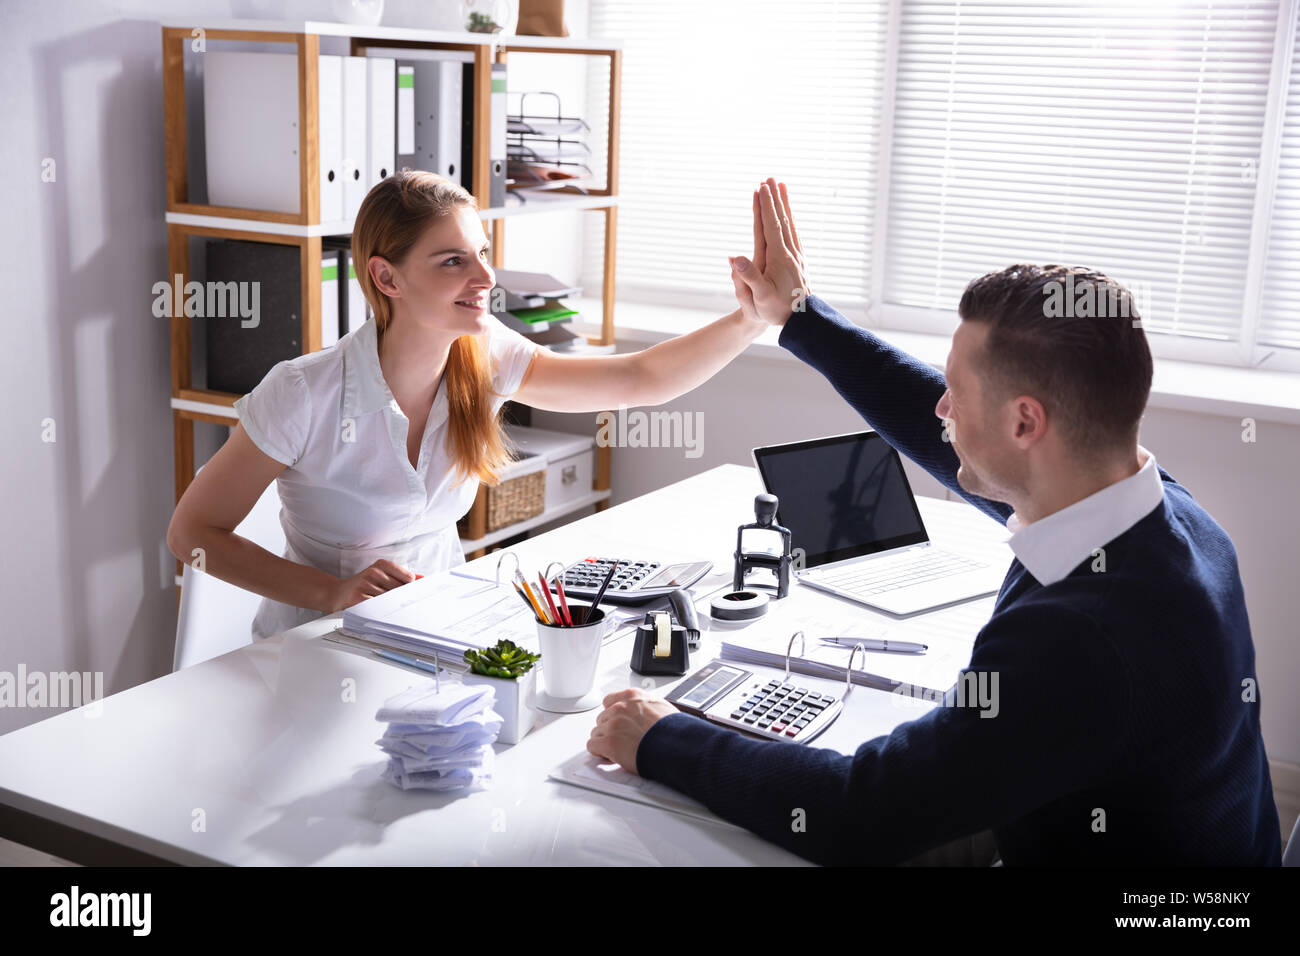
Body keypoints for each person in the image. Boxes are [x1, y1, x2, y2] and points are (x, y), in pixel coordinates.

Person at [587, 178, 1282, 866]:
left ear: (1024, 422)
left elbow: (856, 813)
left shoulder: (1081, 633)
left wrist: (658, 738)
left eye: (955, 391)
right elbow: (938, 430)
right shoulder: (1167, 514)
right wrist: (797, 315)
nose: (942, 409)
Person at [167, 170, 768, 638]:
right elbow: (192, 532)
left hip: (436, 628)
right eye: (453, 260)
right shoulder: (302, 392)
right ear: (387, 278)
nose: (485, 276)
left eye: (482, 252)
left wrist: (749, 321)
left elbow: (638, 379)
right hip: (315, 645)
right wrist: (331, 591)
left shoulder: (484, 352)